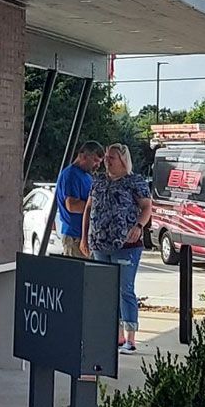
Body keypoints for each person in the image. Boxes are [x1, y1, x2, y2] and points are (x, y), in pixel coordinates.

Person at [81, 143, 152, 353]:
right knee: (105, 290)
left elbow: (147, 206)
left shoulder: (134, 182)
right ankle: (115, 334)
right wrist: (84, 238)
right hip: (99, 244)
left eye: (111, 157)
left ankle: (131, 337)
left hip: (126, 245)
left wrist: (139, 225)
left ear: (122, 160)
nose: (106, 161)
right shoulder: (99, 181)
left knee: (124, 289)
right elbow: (88, 208)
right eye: (106, 157)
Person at [53, 141, 104, 258]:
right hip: (75, 236)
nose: (98, 165)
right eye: (95, 161)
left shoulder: (87, 176)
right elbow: (72, 205)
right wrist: (97, 207)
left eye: (100, 162)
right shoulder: (71, 175)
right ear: (83, 156)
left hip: (85, 235)